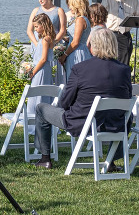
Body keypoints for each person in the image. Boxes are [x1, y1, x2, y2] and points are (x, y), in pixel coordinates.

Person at [33, 28, 132, 169]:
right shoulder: (124, 70)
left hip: (81, 122)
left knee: (41, 109)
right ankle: (111, 160)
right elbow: (127, 98)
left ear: (92, 46)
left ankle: (45, 158)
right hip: (114, 124)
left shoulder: (81, 68)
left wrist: (70, 107)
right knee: (129, 116)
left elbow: (65, 101)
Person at [26, 0, 66, 85]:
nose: (40, 0)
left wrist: (53, 43)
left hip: (52, 43)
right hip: (38, 44)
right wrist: (36, 44)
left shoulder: (59, 10)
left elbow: (62, 30)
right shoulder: (36, 10)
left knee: (54, 70)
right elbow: (29, 30)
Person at [24, 13, 56, 135]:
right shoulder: (45, 38)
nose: (35, 29)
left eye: (37, 26)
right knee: (38, 94)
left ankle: (37, 122)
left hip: (41, 70)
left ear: (43, 25)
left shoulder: (46, 40)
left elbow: (43, 59)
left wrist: (33, 71)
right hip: (41, 68)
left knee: (38, 95)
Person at [58, 0, 91, 80]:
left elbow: (76, 42)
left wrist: (64, 56)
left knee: (75, 79)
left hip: (77, 52)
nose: (69, 7)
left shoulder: (80, 20)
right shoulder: (85, 19)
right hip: (81, 50)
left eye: (71, 5)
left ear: (77, 5)